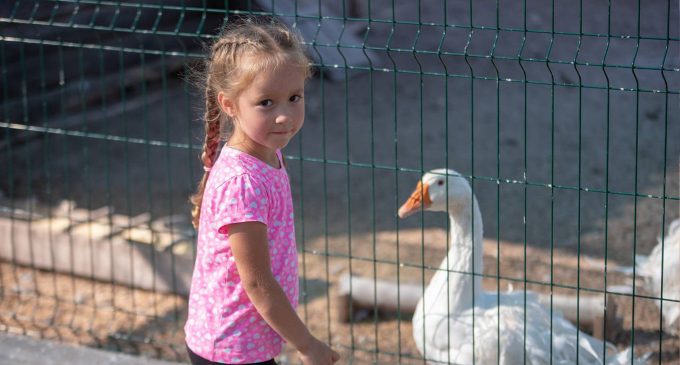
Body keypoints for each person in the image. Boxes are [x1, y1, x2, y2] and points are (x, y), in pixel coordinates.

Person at [184, 17, 340, 365]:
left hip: (246, 340)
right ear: (229, 105)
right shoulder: (243, 183)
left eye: (293, 97)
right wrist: (307, 344)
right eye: (266, 103)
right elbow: (257, 283)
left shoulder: (268, 153)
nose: (284, 116)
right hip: (231, 348)